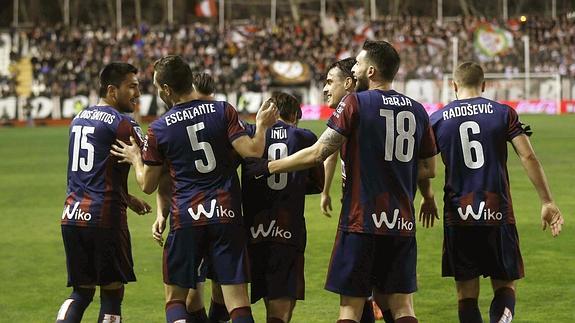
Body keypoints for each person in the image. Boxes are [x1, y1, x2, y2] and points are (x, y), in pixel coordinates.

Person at [244, 40, 437, 323]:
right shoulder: (418, 109)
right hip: (402, 221)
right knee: (401, 305)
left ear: (370, 71)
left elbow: (319, 152)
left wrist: (268, 166)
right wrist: (395, 172)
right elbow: (428, 168)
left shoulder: (356, 102)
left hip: (362, 219)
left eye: (358, 63)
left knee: (351, 306)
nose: (354, 67)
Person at [111, 55, 278, 323]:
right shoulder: (223, 110)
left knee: (176, 299)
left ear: (166, 89)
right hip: (226, 214)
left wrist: (135, 159)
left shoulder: (159, 128)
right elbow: (253, 151)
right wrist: (261, 126)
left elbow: (147, 184)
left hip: (186, 217)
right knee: (238, 303)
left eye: (156, 87)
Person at [424, 61, 564, 323]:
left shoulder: (438, 119)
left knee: (466, 294)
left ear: (454, 86)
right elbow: (528, 156)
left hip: (458, 215)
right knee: (505, 287)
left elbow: (423, 167)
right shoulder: (503, 113)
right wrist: (547, 200)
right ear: (485, 85)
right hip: (497, 211)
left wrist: (427, 197)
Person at [56, 62, 151, 323]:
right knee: (112, 292)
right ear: (112, 90)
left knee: (81, 292)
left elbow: (90, 171)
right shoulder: (123, 124)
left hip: (72, 215)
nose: (138, 94)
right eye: (132, 87)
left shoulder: (78, 119)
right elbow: (153, 161)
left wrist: (127, 197)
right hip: (105, 218)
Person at [240, 92, 324, 323]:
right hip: (288, 228)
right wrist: (294, 185)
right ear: (295, 115)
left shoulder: (250, 136)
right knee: (280, 310)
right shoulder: (304, 136)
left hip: (254, 230)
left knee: (256, 297)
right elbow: (318, 183)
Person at [321, 57, 390, 323]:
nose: (325, 88)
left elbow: (324, 152)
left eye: (330, 82)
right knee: (377, 292)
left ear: (349, 83)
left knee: (354, 293)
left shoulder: (354, 107)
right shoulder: (367, 106)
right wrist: (327, 190)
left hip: (362, 211)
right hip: (386, 209)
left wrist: (272, 166)